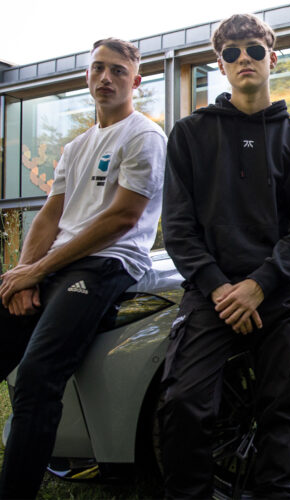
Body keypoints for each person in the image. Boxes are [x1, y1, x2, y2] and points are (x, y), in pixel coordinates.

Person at [159, 13, 290, 499]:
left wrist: (258, 287)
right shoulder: (189, 135)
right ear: (221, 65)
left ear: (272, 58)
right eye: (232, 53)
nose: (243, 59)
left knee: (281, 409)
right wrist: (220, 287)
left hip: (279, 293)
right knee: (185, 402)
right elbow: (179, 228)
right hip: (213, 293)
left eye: (253, 50)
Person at [0, 38, 166, 499]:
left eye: (117, 70)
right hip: (59, 264)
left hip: (106, 264)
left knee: (37, 377)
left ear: (136, 81)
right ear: (86, 76)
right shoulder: (76, 146)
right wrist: (22, 274)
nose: (105, 78)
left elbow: (121, 219)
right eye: (98, 69)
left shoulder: (144, 136)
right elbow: (51, 216)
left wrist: (38, 271)